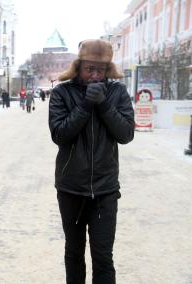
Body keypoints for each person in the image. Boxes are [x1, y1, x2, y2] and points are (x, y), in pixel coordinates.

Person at [48, 39, 135, 284]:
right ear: (79, 67)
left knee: (103, 257)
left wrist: (104, 103)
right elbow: (59, 134)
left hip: (105, 189)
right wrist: (86, 105)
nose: (95, 76)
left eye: (101, 70)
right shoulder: (62, 93)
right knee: (74, 253)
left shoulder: (117, 92)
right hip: (71, 188)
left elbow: (126, 134)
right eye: (89, 69)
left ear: (108, 69)